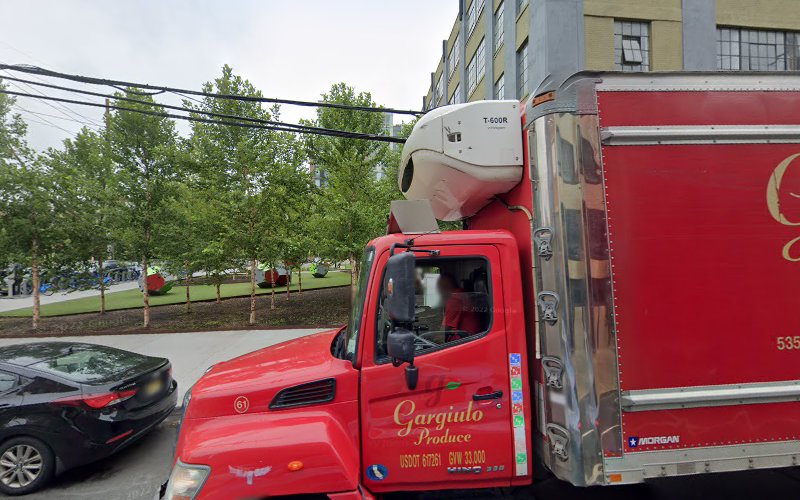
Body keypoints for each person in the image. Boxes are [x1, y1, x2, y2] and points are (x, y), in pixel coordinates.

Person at [437, 273, 482, 342]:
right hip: (468, 338)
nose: (439, 292)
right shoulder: (461, 293)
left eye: (439, 288)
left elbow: (442, 333)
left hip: (467, 341)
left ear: (445, 287)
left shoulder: (455, 299)